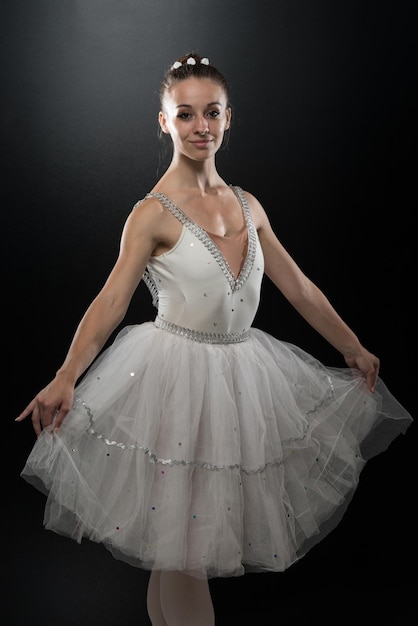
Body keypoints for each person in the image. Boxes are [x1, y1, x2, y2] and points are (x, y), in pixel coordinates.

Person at [16, 52, 412, 626]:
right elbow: (111, 301)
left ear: (229, 118)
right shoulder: (151, 214)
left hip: (242, 382)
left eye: (212, 113)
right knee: (186, 550)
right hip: (176, 384)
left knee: (179, 553)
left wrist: (352, 345)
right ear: (164, 122)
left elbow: (298, 287)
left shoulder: (248, 206)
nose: (201, 126)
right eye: (185, 115)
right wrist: (66, 375)